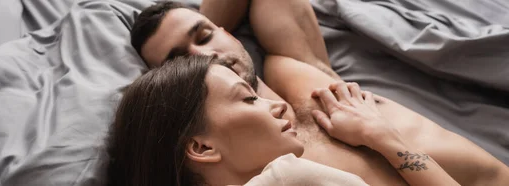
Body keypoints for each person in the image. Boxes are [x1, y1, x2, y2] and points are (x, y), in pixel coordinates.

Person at [125, 1, 509, 185]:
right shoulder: (245, 162)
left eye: (205, 36)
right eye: (179, 61)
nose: (204, 55)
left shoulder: (297, 74)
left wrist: (205, 27)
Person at [103, 55, 461, 185]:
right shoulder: (290, 176)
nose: (274, 106)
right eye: (248, 98)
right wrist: (386, 139)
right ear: (201, 146)